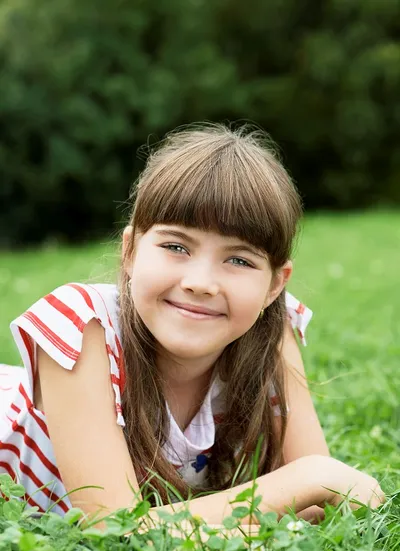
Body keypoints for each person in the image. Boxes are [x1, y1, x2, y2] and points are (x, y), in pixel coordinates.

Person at [0, 124, 384, 527]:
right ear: (130, 251)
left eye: (239, 260)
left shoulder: (269, 325)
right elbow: (113, 530)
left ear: (274, 285)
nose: (200, 283)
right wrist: (305, 478)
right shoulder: (80, 325)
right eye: (176, 247)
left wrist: (306, 486)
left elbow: (323, 507)